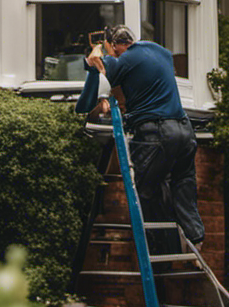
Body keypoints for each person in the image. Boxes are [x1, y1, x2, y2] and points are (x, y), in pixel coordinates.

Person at [80, 25, 204, 250]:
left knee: (147, 189)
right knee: (183, 182)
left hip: (156, 133)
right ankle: (195, 237)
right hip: (185, 129)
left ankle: (163, 248)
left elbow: (96, 63)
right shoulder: (160, 52)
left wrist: (98, 51)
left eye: (113, 48)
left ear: (117, 46)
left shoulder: (123, 60)